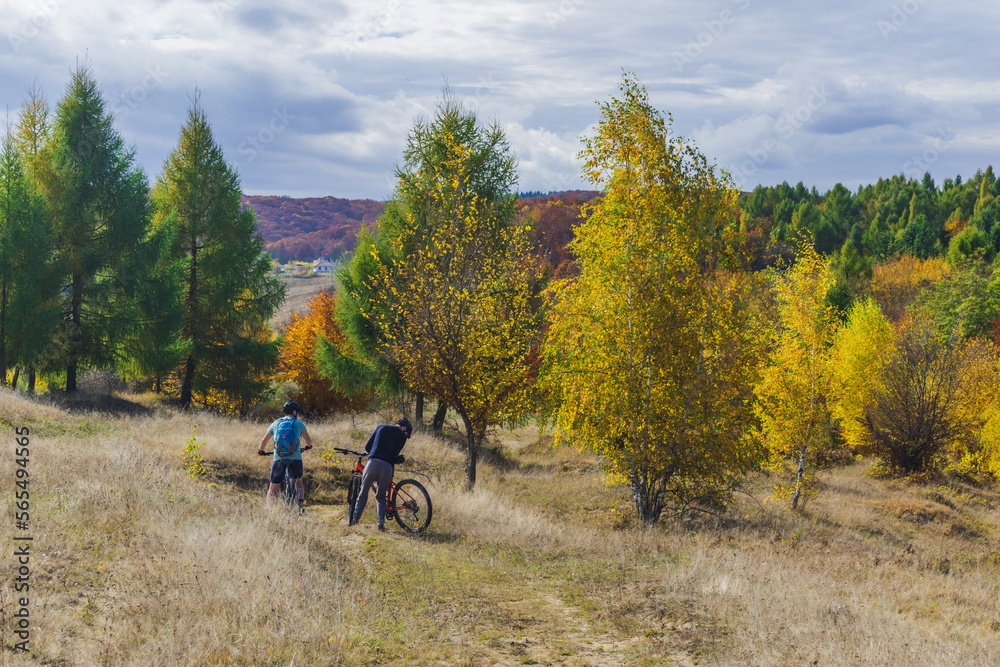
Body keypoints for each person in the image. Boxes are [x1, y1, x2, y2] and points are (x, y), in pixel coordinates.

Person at [350, 417, 412, 530]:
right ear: (405, 427)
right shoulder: (402, 436)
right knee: (381, 496)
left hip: (372, 463)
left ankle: (354, 521)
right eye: (407, 432)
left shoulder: (381, 427)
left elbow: (367, 447)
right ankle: (381, 524)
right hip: (386, 467)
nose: (406, 434)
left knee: (363, 493)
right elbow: (394, 454)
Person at [258, 400, 313, 514]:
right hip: (295, 459)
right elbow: (308, 439)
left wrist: (261, 451)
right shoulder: (298, 424)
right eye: (297, 412)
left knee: (273, 487)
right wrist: (308, 446)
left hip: (279, 459)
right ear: (294, 412)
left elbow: (264, 440)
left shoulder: (275, 423)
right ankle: (300, 505)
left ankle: (269, 511)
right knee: (299, 481)